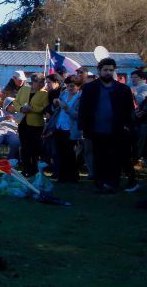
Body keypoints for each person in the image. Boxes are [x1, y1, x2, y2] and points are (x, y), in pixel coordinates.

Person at [79, 57, 137, 193]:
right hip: (96, 129)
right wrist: (83, 128)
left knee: (114, 158)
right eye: (105, 70)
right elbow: (83, 109)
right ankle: (100, 183)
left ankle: (112, 183)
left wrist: (128, 126)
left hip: (116, 130)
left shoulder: (123, 89)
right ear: (99, 70)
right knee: (99, 158)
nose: (108, 72)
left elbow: (130, 110)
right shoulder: (89, 88)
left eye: (111, 70)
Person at [14, 73, 50, 172]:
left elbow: (45, 108)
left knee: (34, 147)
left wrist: (32, 109)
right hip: (22, 122)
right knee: (24, 146)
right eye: (40, 82)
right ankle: (26, 168)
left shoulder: (45, 93)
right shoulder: (23, 89)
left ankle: (34, 168)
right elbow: (15, 102)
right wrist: (21, 108)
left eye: (44, 82)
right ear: (33, 82)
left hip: (36, 124)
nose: (42, 84)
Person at [52, 75, 83, 182]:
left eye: (72, 86)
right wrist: (55, 104)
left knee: (70, 155)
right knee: (60, 154)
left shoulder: (81, 98)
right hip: (59, 127)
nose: (69, 88)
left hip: (71, 130)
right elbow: (56, 109)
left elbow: (77, 115)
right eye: (68, 86)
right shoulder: (64, 94)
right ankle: (62, 177)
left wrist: (66, 107)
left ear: (78, 86)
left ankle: (72, 177)